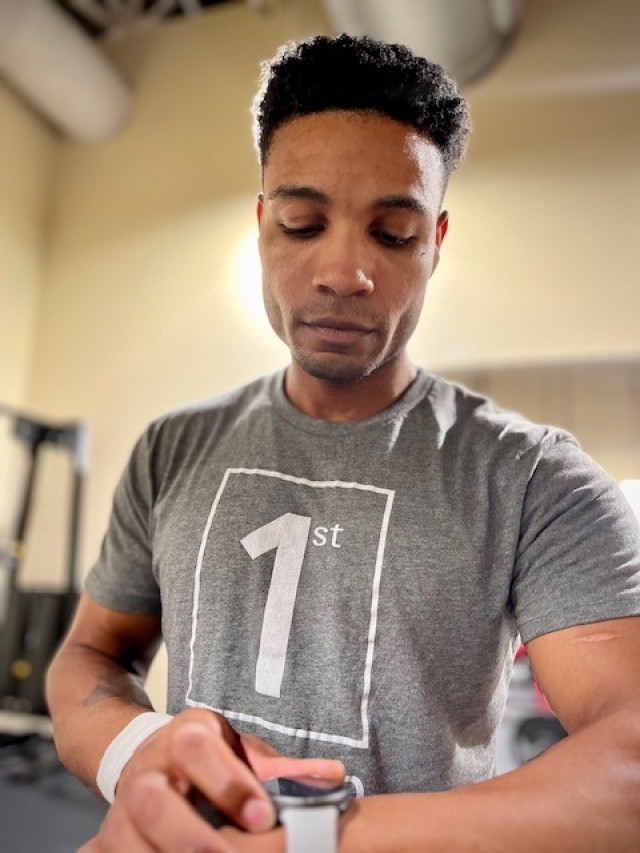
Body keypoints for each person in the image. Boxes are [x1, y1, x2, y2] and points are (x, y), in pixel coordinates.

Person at [46, 33, 640, 852]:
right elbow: (89, 655)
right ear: (262, 225)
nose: (343, 271)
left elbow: (630, 765)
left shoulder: (536, 478)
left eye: (392, 233)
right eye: (302, 222)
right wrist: (136, 755)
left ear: (436, 241)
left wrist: (307, 836)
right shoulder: (171, 448)